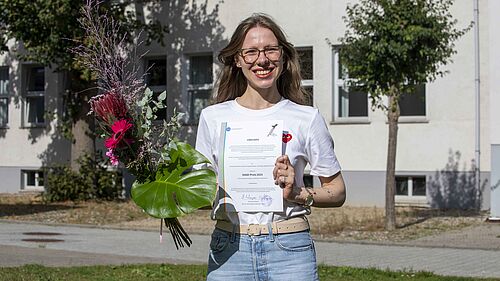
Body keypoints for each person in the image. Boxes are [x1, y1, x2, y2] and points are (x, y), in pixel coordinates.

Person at [195, 13, 346, 281]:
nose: (262, 60)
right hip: (229, 248)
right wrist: (170, 190)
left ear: (284, 58)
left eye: (270, 50)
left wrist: (299, 193)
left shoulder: (307, 118)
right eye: (251, 52)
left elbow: (337, 192)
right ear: (237, 59)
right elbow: (201, 198)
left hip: (289, 250)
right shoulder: (212, 118)